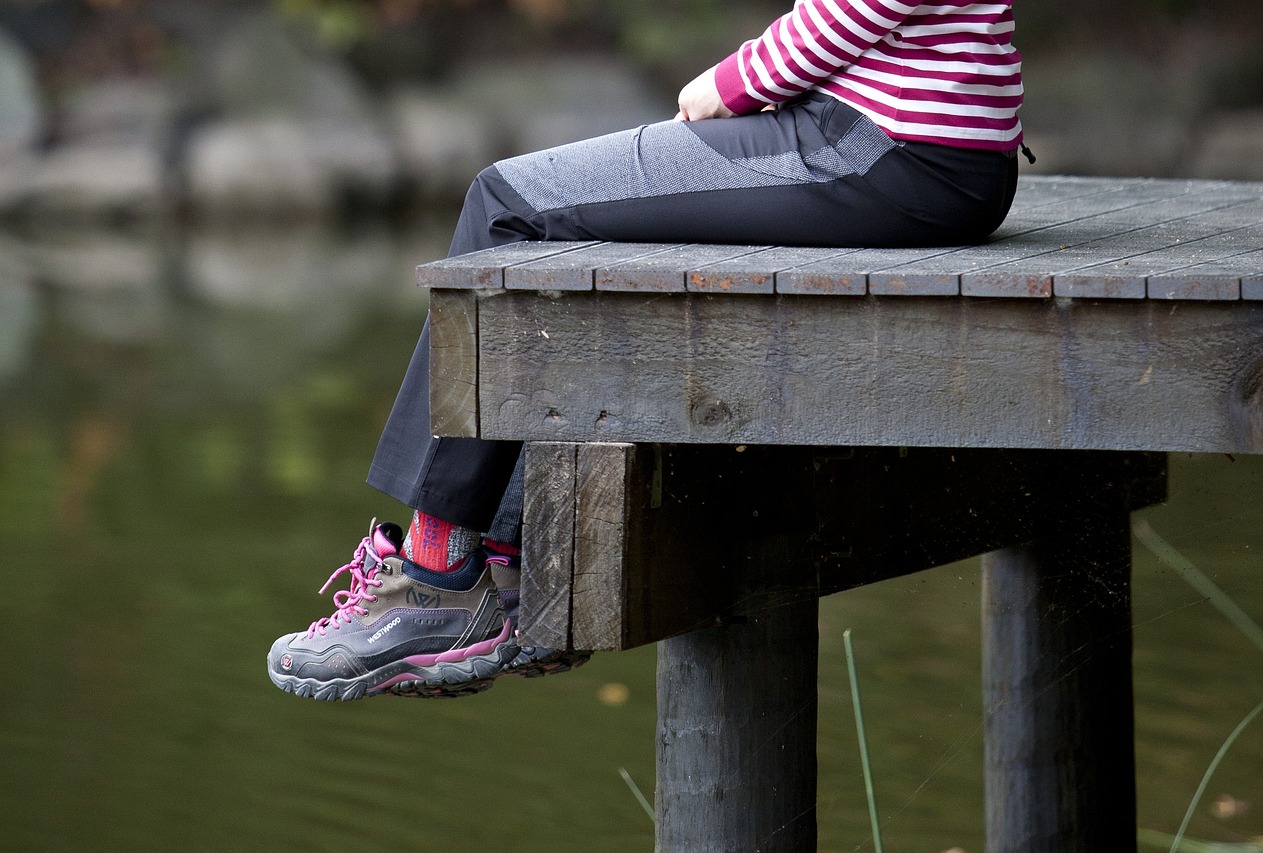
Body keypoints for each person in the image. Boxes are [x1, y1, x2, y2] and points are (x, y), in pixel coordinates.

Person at [267, 0, 1027, 701]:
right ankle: (499, 564)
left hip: (882, 148)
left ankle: (437, 576)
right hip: (930, 149)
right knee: (556, 215)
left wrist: (734, 84)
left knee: (507, 203)